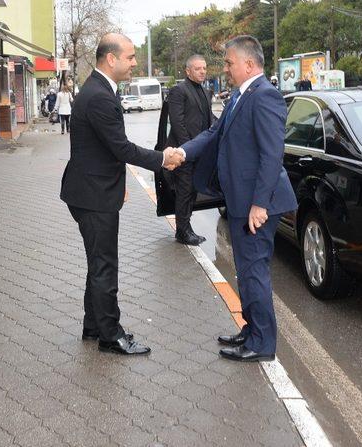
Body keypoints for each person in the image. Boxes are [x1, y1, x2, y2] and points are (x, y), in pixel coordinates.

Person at [60, 33, 184, 356]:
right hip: (93, 196)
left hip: (91, 189)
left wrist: (119, 182)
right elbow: (121, 147)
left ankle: (93, 325)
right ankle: (110, 335)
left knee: (96, 263)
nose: (134, 63)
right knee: (104, 267)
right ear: (111, 59)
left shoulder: (98, 89)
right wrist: (162, 159)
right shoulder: (100, 96)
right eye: (130, 57)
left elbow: (101, 149)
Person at [178, 35, 296, 362]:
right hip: (240, 201)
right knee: (245, 270)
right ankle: (252, 329)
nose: (225, 68)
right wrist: (181, 152)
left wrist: (260, 203)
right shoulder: (240, 96)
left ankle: (262, 344)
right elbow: (213, 135)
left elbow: (272, 155)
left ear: (248, 64)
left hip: (257, 205)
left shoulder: (266, 96)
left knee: (254, 271)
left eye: (229, 63)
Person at [166, 55, 214, 246]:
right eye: (197, 68)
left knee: (192, 192)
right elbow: (177, 123)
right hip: (183, 153)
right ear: (188, 71)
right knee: (185, 192)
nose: (202, 71)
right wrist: (188, 151)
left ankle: (187, 228)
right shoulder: (179, 90)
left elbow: (209, 119)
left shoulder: (204, 90)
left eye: (204, 68)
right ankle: (182, 232)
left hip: (199, 152)